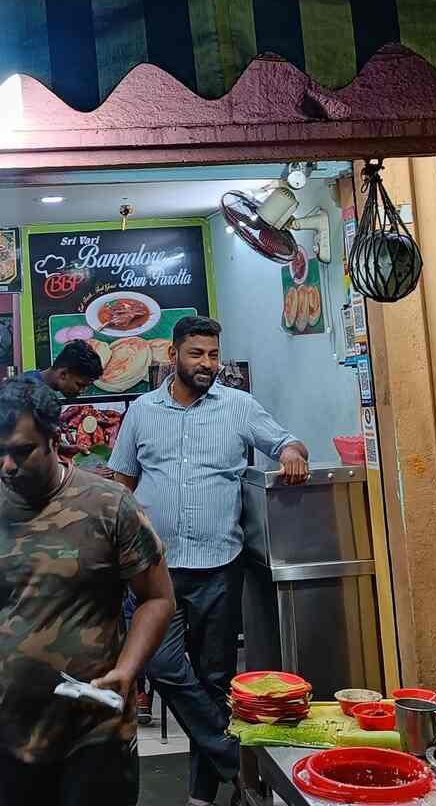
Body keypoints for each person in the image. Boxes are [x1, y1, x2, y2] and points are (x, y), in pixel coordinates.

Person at [0, 377, 175, 806]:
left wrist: (128, 669)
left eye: (22, 451)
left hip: (96, 732)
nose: (6, 466)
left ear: (55, 440)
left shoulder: (109, 505)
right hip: (10, 733)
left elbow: (157, 597)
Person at [108, 315, 310, 806]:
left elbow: (286, 440)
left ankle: (202, 794)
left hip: (220, 565)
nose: (207, 363)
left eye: (213, 355)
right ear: (173, 355)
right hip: (157, 571)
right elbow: (122, 485)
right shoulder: (142, 411)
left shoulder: (238, 407)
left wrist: (293, 453)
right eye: (196, 354)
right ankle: (232, 756)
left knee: (214, 679)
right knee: (160, 664)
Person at [34, 339, 104, 401]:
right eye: (80, 385)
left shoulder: (38, 390)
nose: (82, 391)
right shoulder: (32, 397)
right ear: (63, 374)